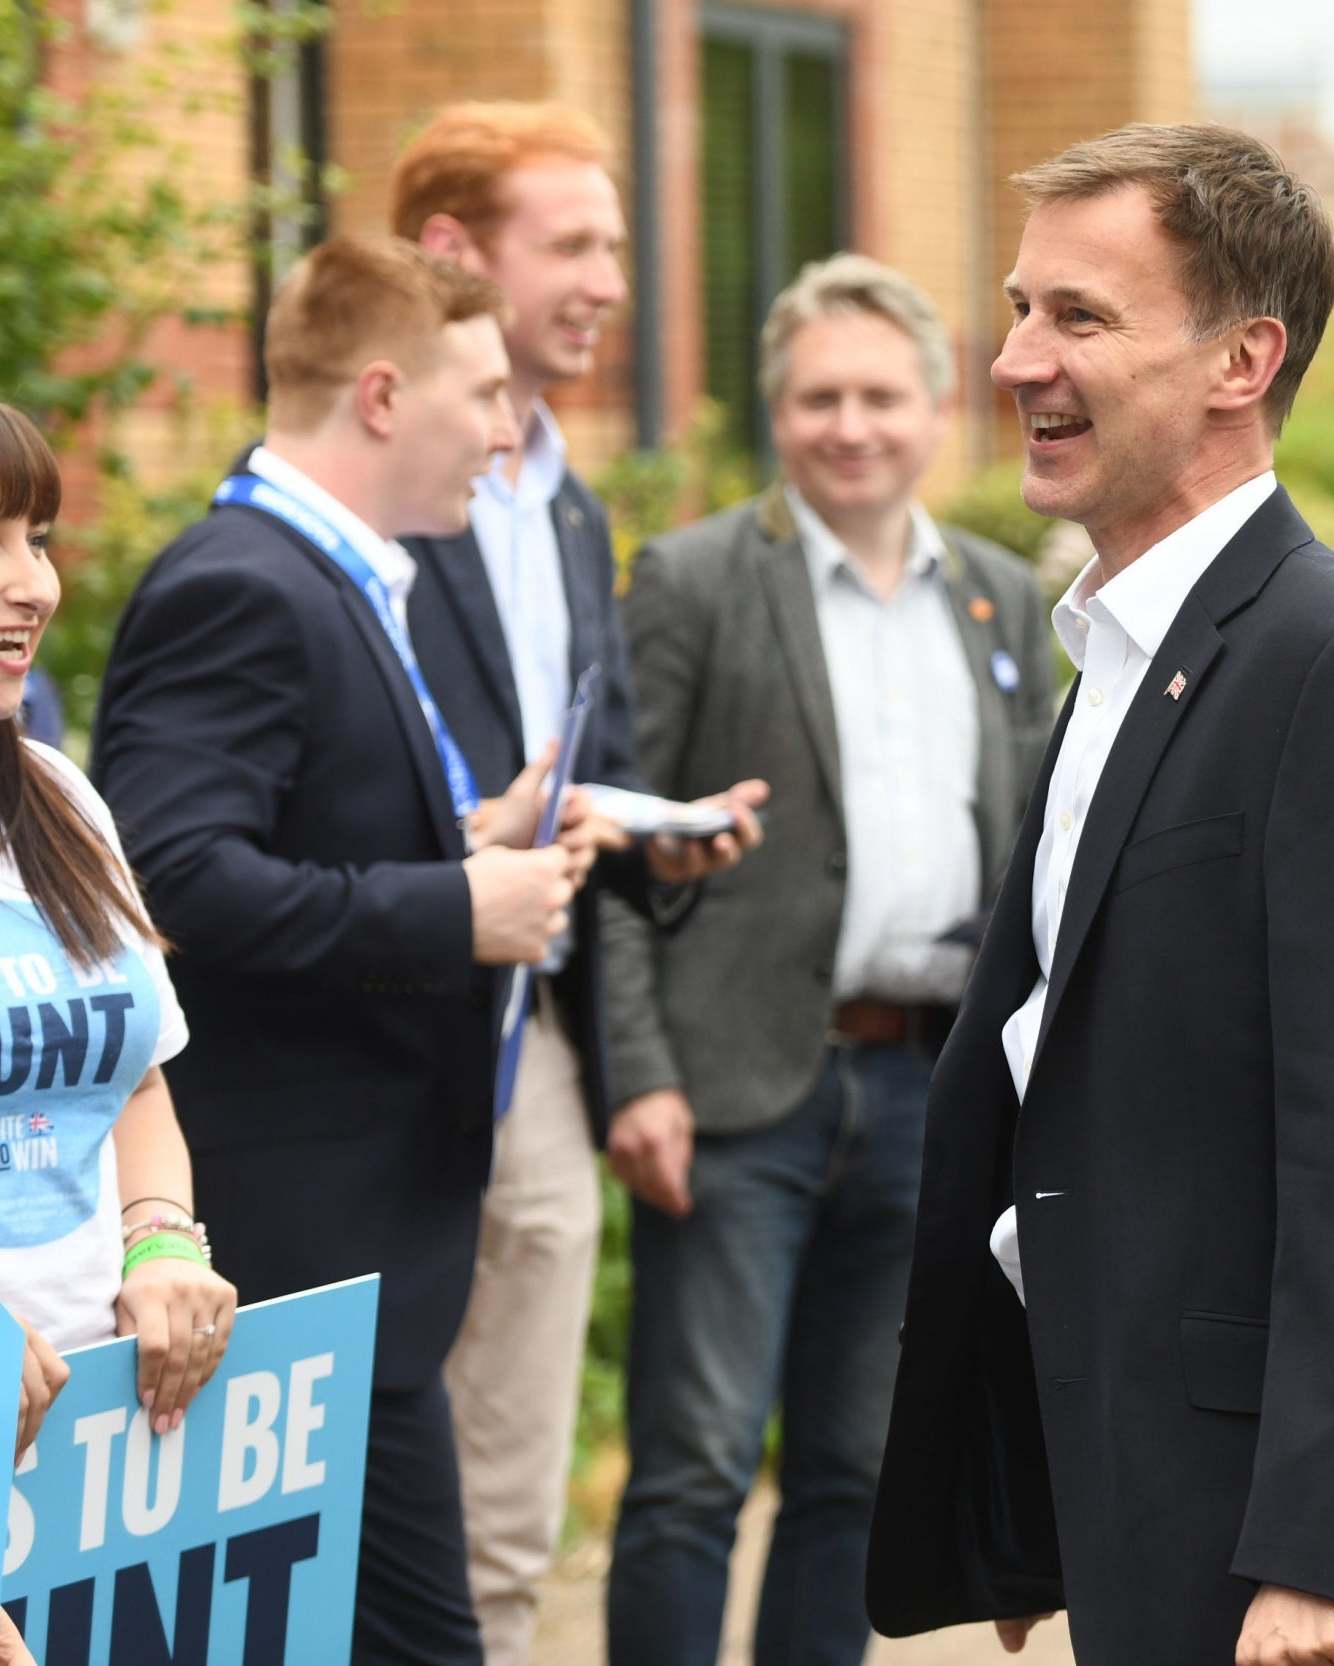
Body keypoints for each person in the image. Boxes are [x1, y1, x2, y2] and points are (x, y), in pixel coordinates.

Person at [864, 123, 1334, 1666]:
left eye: (1078, 318)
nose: (1013, 361)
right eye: (1020, 308)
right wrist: (1026, 1478)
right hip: (1135, 1481)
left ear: (1242, 359)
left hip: (1278, 1547)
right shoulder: (1117, 654)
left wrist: (1325, 1555)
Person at [90, 236, 590, 1666]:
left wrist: (469, 840)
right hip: (295, 1253)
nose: (506, 433)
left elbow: (287, 829)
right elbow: (171, 875)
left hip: (358, 1254)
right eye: (484, 394)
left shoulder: (344, 574)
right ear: (381, 395)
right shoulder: (245, 580)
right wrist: (458, 907)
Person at [598, 252, 1057, 1666]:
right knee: (691, 1469)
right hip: (737, 1094)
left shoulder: (1004, 598)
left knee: (856, 1471)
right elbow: (611, 846)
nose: (847, 425)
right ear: (775, 414)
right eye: (816, 398)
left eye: (878, 395)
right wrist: (638, 1074)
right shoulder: (689, 579)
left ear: (934, 407)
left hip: (927, 1093)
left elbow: (1040, 855)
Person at [389, 103, 764, 1666]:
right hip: (382, 1039)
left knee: (511, 1514)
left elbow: (555, 768)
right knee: (374, 1508)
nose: (613, 277)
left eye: (616, 241)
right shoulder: (370, 487)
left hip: (536, 1044)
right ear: (453, 254)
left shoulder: (570, 494)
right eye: (577, 244)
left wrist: (640, 829)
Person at [0, 402, 232, 1428]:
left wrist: (162, 1237)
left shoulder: (61, 793)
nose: (31, 586)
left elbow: (134, 1083)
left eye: (35, 539)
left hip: (105, 1433)